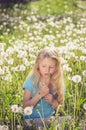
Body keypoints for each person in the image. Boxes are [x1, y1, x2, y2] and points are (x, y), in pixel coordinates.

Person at [23, 47, 65, 129]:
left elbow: (61, 108)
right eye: (44, 66)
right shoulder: (31, 81)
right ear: (38, 65)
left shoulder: (57, 83)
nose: (47, 70)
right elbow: (25, 106)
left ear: (56, 67)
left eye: (51, 67)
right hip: (32, 120)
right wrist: (39, 94)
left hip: (50, 119)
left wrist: (53, 101)